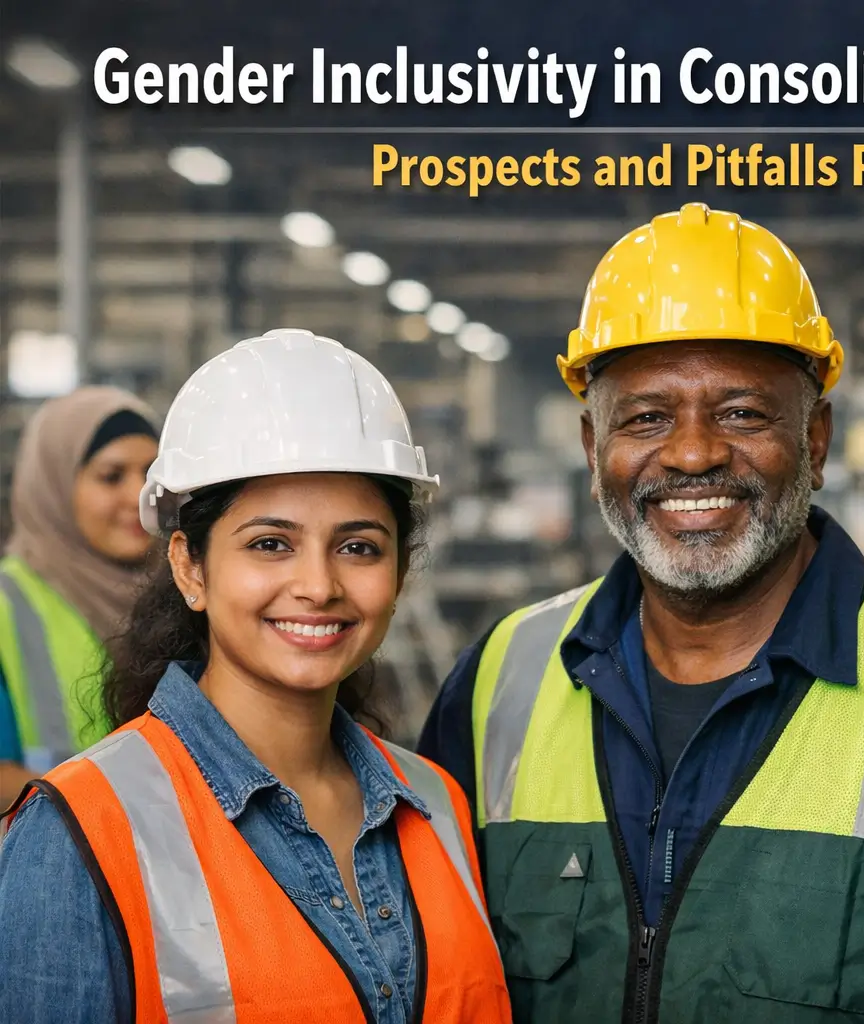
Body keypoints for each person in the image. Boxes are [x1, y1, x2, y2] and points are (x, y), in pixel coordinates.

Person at [415, 202, 864, 1023]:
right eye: (646, 418)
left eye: (742, 413)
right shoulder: (495, 687)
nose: (694, 453)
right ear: (595, 450)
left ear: (815, 440)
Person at [0, 330, 512, 1024]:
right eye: (271, 544)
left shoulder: (437, 804)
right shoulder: (80, 831)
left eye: (358, 546)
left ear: (399, 570)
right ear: (190, 568)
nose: (318, 585)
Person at [0, 388, 160, 805]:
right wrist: (115, 808)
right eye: (112, 476)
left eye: (150, 474)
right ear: (54, 487)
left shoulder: (187, 591)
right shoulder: (7, 605)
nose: (137, 496)